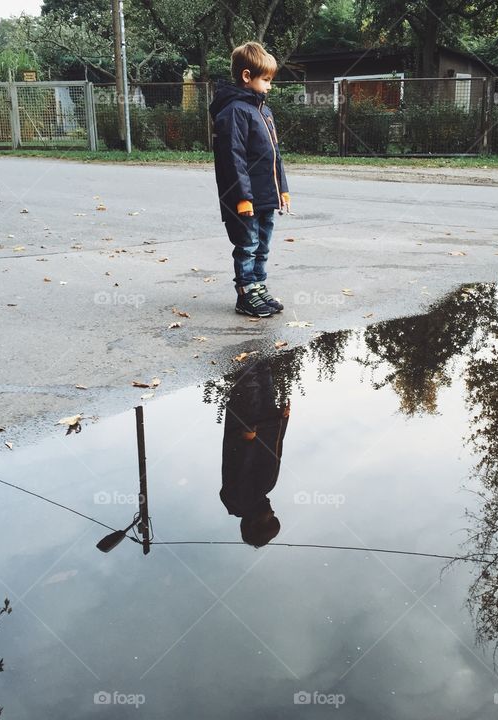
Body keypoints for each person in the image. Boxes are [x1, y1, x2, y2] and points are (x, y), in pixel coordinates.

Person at [209, 41, 290, 318]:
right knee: (247, 245)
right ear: (247, 76)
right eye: (265, 79)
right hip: (244, 198)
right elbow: (233, 160)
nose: (269, 85)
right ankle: (245, 294)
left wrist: (284, 190)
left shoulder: (263, 111)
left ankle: (258, 287)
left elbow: (275, 155)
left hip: (267, 195)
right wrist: (242, 197)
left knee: (263, 246)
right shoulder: (234, 112)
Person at [220, 360, 290, 547]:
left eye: (270, 519)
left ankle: (243, 336)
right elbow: (276, 452)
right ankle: (258, 340)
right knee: (263, 370)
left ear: (254, 523)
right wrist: (283, 421)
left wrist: (248, 442)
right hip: (265, 426)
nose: (273, 513)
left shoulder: (241, 499)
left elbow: (240, 465)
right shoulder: (261, 493)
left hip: (248, 429)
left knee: (249, 379)